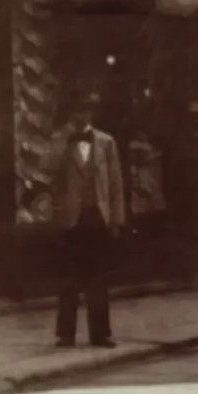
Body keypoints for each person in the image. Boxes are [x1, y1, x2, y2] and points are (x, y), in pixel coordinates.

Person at [49, 84, 128, 348]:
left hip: (98, 216)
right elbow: (46, 168)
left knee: (97, 279)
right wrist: (64, 138)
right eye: (76, 111)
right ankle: (66, 334)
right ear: (70, 114)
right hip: (71, 217)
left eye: (86, 111)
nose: (81, 116)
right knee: (69, 279)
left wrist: (116, 219)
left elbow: (116, 184)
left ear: (91, 114)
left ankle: (100, 333)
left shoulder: (106, 142)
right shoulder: (60, 140)